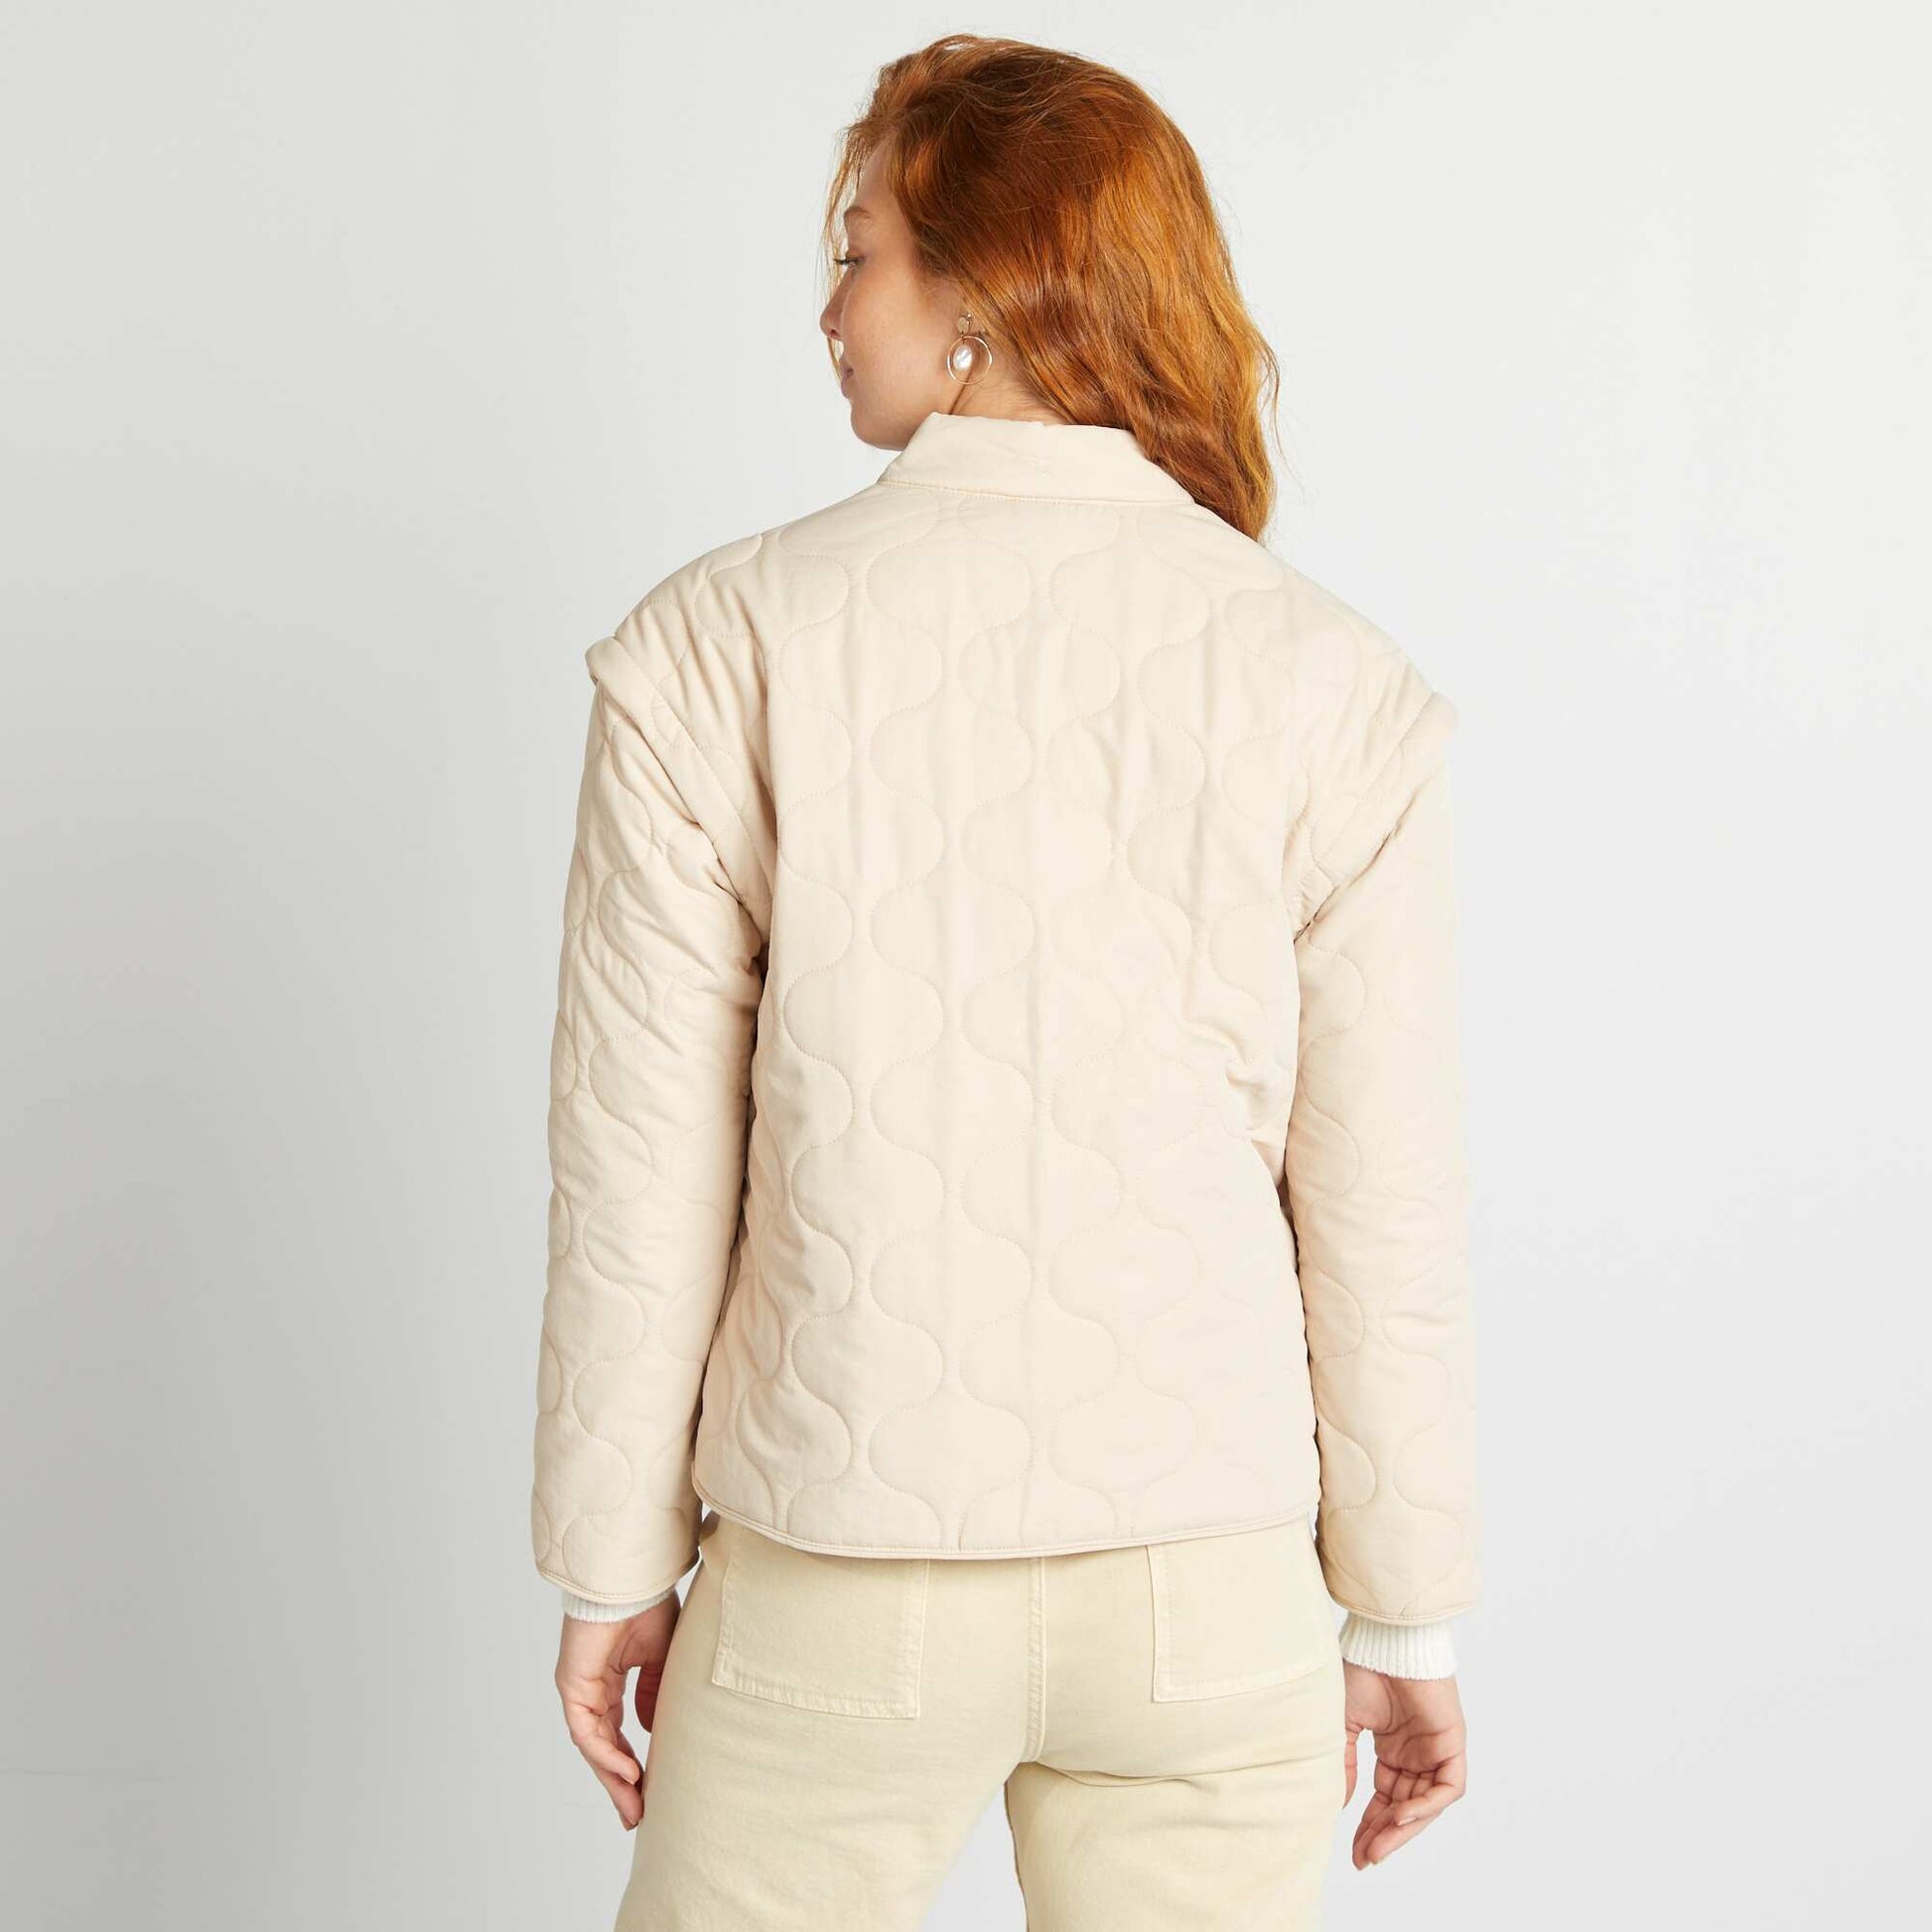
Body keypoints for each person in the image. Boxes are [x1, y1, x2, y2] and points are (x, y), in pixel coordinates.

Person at [531, 32, 1479, 1930]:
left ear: (982, 283)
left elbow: (640, 1167)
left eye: (856, 254)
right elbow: (1382, 1197)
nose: (827, 311)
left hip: (835, 1582)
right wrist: (1403, 1613)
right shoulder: (1327, 676)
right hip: (1205, 1600)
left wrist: (611, 1564)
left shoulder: (716, 646)